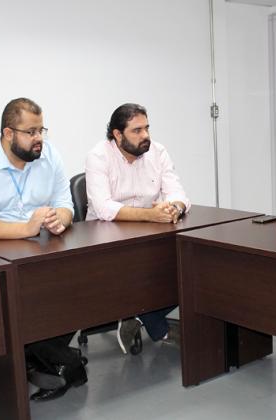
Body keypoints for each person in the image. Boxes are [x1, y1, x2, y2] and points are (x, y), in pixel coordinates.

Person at [0, 97, 84, 401]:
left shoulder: (49, 155)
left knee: (79, 284)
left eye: (42, 130)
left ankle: (41, 359)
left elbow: (66, 205)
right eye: (31, 132)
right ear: (8, 133)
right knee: (13, 306)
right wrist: (25, 229)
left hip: (40, 249)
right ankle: (54, 360)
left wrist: (58, 220)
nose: (39, 139)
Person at [85, 103, 189, 354]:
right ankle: (156, 325)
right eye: (137, 130)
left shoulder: (158, 152)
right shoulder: (98, 156)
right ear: (117, 135)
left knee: (189, 266)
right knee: (140, 270)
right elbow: (104, 209)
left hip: (149, 235)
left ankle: (138, 316)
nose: (146, 136)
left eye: (147, 128)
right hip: (104, 239)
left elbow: (178, 193)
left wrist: (174, 207)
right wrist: (150, 215)